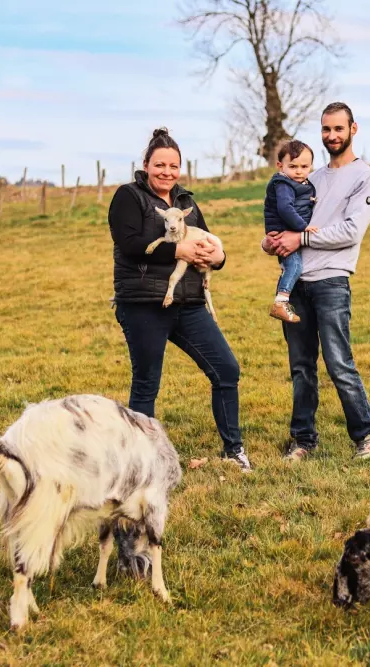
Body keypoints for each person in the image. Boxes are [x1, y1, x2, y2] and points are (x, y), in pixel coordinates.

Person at [108, 127, 252, 473]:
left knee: (226, 369)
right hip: (144, 303)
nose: (167, 172)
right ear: (146, 165)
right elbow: (129, 245)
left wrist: (218, 258)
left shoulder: (186, 202)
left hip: (188, 304)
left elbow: (206, 241)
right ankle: (139, 464)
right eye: (160, 165)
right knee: (147, 382)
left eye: (174, 166)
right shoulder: (129, 197)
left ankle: (234, 452)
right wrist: (178, 249)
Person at [263, 102, 370, 461]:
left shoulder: (367, 177)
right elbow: (283, 221)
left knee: (338, 363)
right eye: (326, 129)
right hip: (298, 283)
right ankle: (303, 440)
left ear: (353, 129)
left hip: (332, 281)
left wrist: (299, 239)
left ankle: (369, 436)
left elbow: (350, 230)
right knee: (301, 367)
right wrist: (270, 241)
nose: (332, 135)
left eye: (338, 129)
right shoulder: (308, 176)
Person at [264, 139, 318, 323]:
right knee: (294, 266)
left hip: (286, 230)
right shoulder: (284, 184)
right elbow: (285, 209)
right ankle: (281, 301)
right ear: (280, 166)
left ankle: (282, 300)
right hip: (283, 232)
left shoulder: (300, 183)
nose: (299, 171)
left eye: (304, 166)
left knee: (290, 266)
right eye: (293, 166)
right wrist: (303, 227)